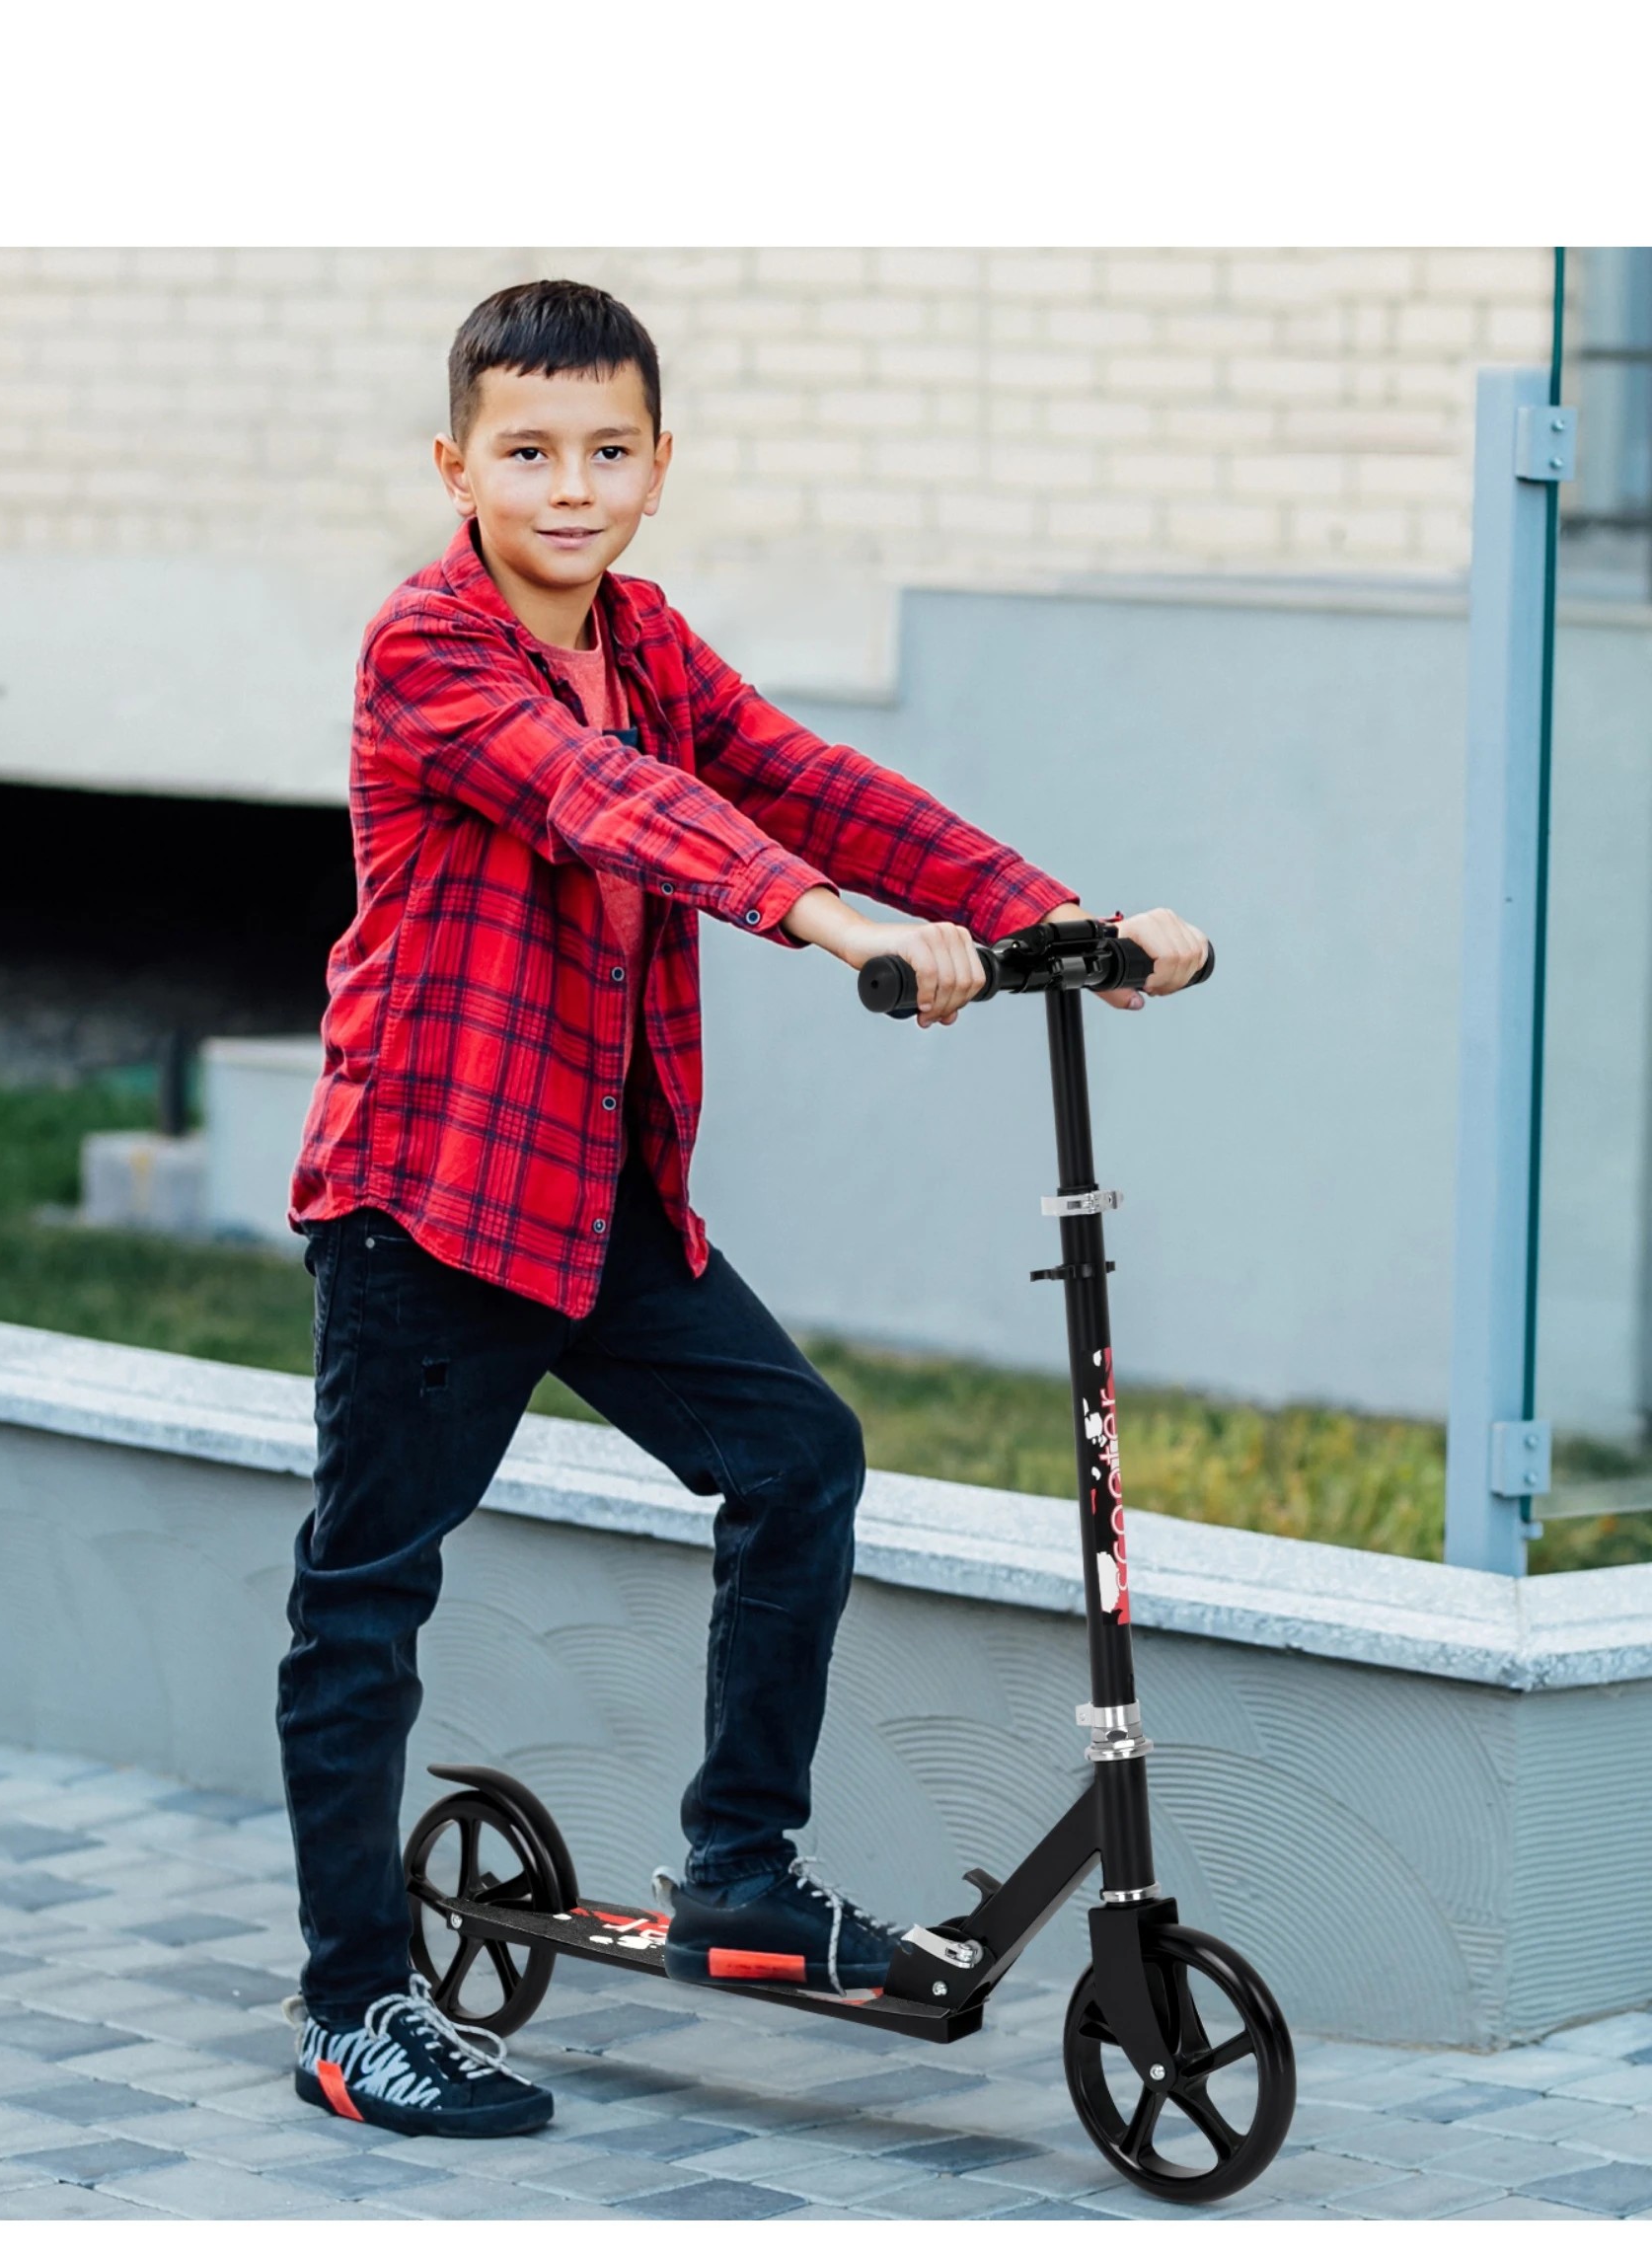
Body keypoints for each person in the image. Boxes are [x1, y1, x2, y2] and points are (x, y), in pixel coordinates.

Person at [277, 278, 1209, 2139]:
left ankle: (743, 1867)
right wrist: (835, 924)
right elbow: (612, 804)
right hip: (432, 1201)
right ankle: (353, 2006)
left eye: (605, 451)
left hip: (599, 1200)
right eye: (527, 453)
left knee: (800, 1460)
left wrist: (1055, 922)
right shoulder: (430, 654)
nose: (569, 486)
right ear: (456, 463)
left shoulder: (646, 637)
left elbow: (795, 776)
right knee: (367, 1600)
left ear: (656, 465)